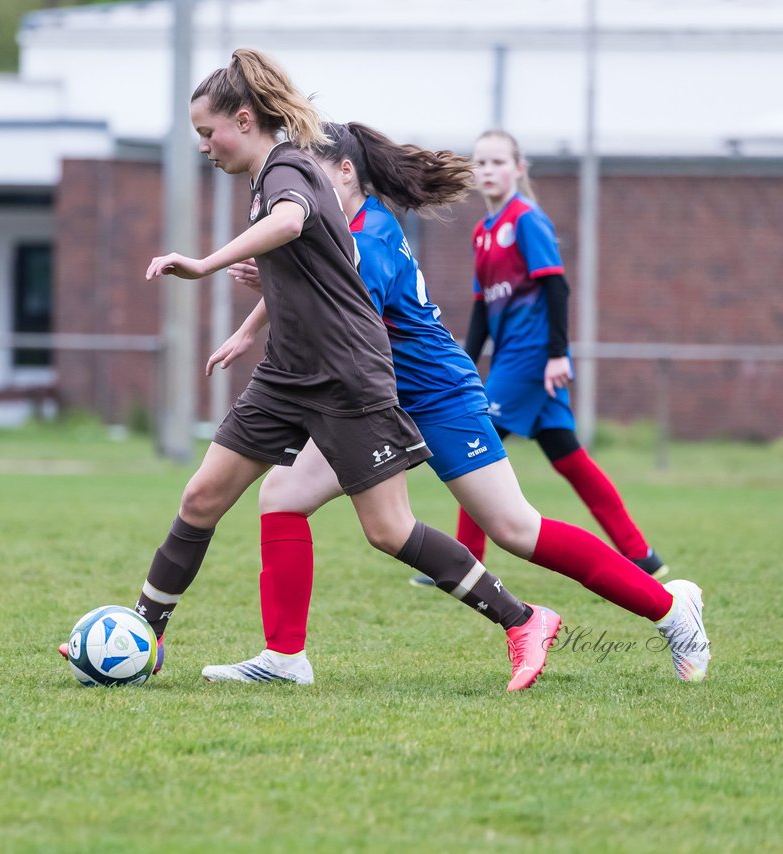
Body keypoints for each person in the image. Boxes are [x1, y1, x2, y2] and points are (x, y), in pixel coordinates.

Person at [65, 48, 562, 692]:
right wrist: (248, 333)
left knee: (389, 531)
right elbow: (307, 274)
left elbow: (291, 221)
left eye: (206, 132)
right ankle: (144, 635)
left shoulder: (287, 169)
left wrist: (205, 264)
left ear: (244, 120)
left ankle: (523, 619)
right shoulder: (267, 173)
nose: (204, 146)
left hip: (346, 375)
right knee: (202, 497)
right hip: (287, 374)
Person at [199, 121, 710, 686]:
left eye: (312, 178)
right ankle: (284, 659)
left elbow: (333, 311)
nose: (302, 194)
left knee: (515, 528)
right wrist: (255, 320)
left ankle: (670, 611)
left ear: (346, 173)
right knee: (283, 495)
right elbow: (317, 290)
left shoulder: (366, 239)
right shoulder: (342, 234)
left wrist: (267, 293)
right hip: (377, 399)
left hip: (437, 396)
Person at [433, 129, 672, 581]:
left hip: (531, 357)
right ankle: (642, 556)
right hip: (513, 360)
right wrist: (464, 362)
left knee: (475, 442)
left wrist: (558, 354)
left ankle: (467, 560)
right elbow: (484, 307)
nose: (488, 170)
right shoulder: (483, 233)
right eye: (481, 162)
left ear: (519, 169)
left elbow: (556, 287)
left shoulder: (526, 220)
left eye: (498, 162)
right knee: (569, 457)